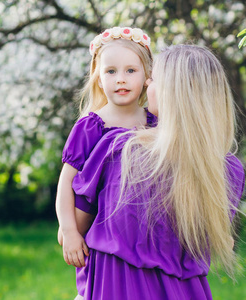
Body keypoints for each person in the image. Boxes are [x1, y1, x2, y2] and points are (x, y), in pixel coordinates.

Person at [72, 45, 246, 299]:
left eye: (153, 79)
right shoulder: (228, 171)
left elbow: (77, 225)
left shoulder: (120, 150)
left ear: (170, 93)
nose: (146, 85)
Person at [55, 27, 155, 268]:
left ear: (146, 77)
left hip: (142, 233)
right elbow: (66, 182)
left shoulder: (154, 122)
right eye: (111, 71)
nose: (120, 78)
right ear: (99, 78)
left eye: (131, 70)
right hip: (100, 231)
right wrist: (69, 231)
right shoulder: (91, 125)